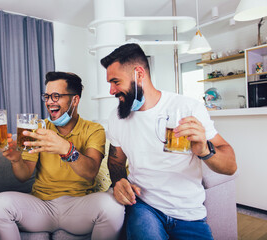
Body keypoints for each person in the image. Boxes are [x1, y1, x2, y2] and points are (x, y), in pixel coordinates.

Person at [100, 43, 237, 240]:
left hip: (189, 214)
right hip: (144, 207)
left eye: (115, 82)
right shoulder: (117, 117)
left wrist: (205, 150)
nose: (111, 90)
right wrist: (119, 182)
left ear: (139, 74)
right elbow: (115, 161)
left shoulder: (187, 108)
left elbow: (231, 166)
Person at [0, 71, 125, 240]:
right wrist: (16, 160)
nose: (50, 102)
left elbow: (91, 171)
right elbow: (23, 175)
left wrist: (66, 149)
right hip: (41, 206)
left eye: (56, 96)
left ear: (75, 100)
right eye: (47, 96)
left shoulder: (93, 130)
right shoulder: (38, 127)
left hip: (79, 207)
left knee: (113, 208)